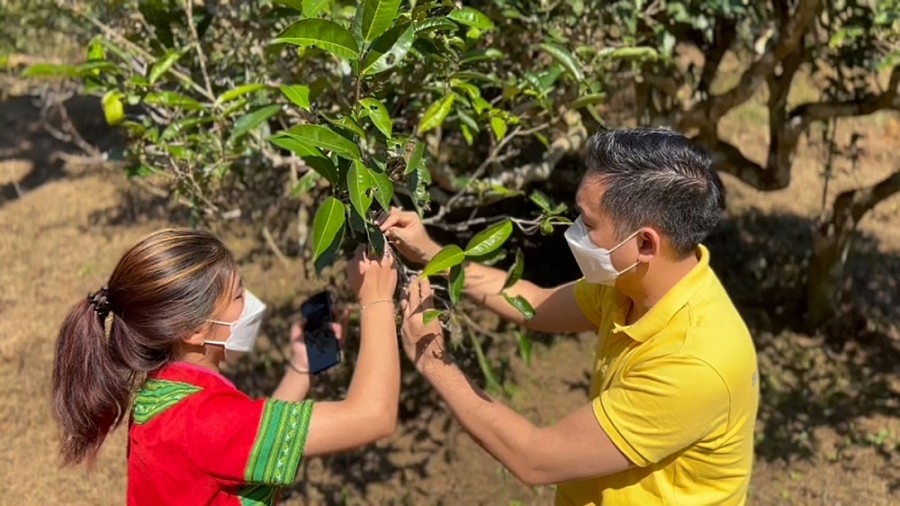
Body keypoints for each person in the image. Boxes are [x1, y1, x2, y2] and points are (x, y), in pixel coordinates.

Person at [385, 128, 759, 505]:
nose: (575, 231)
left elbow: (534, 459)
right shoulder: (630, 283)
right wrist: (434, 254)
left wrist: (431, 358)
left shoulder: (694, 364)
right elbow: (534, 303)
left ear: (645, 243)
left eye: (588, 223)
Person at [51, 229, 400, 505]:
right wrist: (377, 298)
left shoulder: (164, 394)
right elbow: (373, 416)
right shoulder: (203, 421)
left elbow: (252, 438)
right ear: (194, 331)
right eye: (238, 295)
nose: (250, 304)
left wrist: (300, 368)